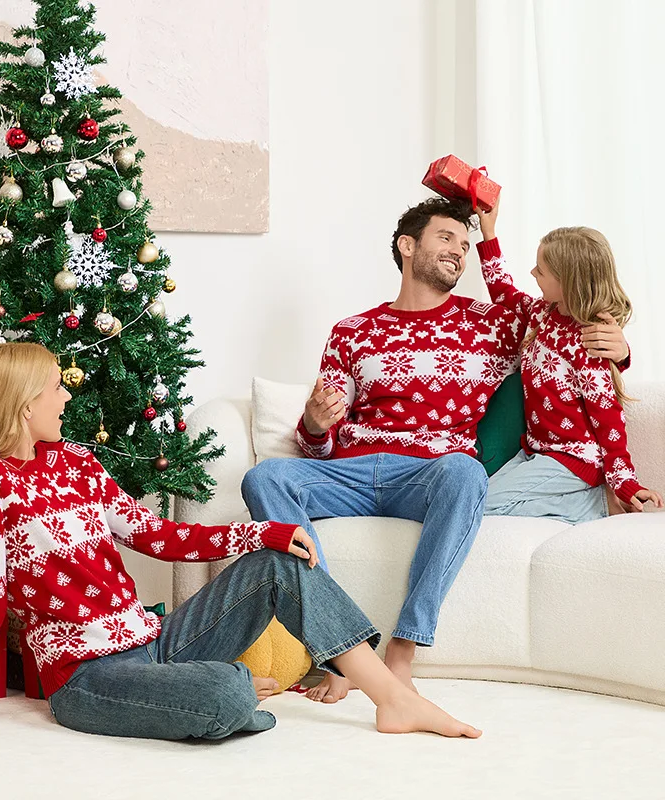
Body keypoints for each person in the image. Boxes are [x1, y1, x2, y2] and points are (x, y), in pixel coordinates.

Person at [0, 342, 482, 741]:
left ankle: (391, 697)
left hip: (156, 643)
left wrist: (264, 531)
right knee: (225, 692)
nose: (66, 397)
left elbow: (159, 535)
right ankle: (233, 694)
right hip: (85, 679)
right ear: (23, 402)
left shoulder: (78, 462)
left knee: (275, 565)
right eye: (56, 388)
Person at [242, 197, 631, 704]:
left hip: (428, 476)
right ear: (408, 246)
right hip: (352, 473)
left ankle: (402, 650)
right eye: (446, 238)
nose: (459, 252)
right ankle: (342, 649)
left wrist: (621, 348)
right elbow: (317, 447)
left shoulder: (492, 325)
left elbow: (570, 326)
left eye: (466, 245)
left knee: (466, 474)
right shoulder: (352, 332)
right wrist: (314, 425)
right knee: (265, 479)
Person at [476, 199, 663, 521]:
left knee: (480, 506)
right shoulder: (542, 314)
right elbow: (504, 292)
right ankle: (588, 503)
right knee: (472, 496)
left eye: (541, 270)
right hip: (536, 450)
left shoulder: (589, 342)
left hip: (571, 458)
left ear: (567, 281)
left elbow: (609, 419)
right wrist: (489, 231)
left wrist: (624, 482)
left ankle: (595, 507)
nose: (532, 272)